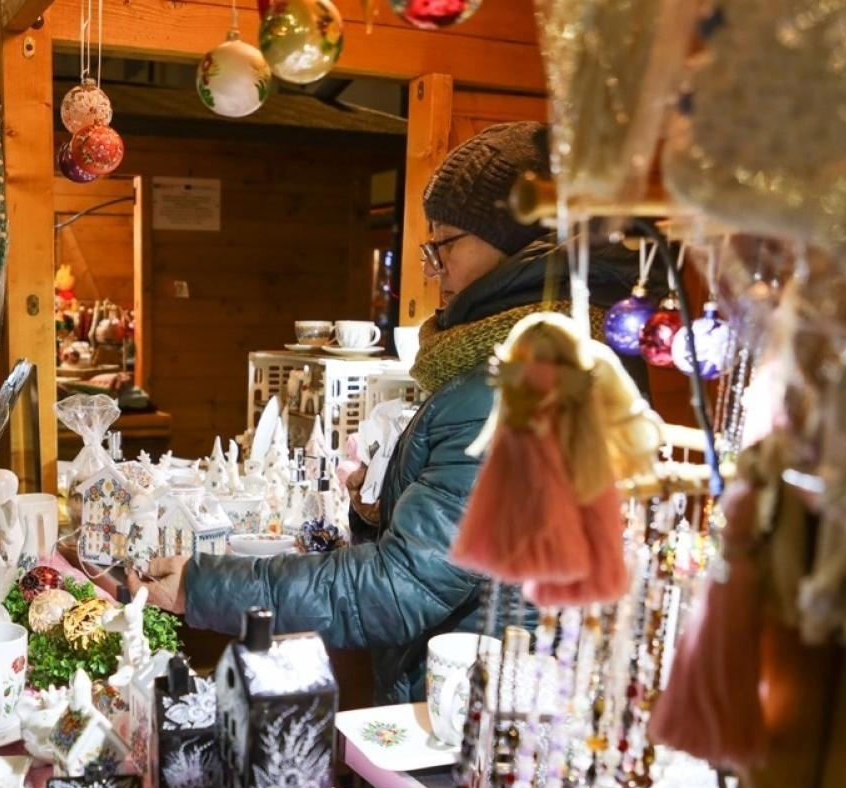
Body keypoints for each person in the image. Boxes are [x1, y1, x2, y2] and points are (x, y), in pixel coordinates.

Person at [132, 123, 642, 704]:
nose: (433, 268)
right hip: (500, 685)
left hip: (476, 714)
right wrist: (381, 509)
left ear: (518, 242)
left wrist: (203, 586)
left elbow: (401, 586)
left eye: (444, 244)